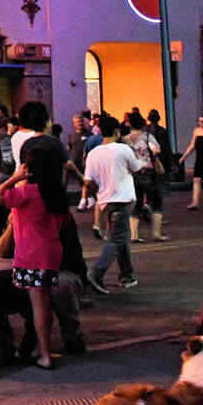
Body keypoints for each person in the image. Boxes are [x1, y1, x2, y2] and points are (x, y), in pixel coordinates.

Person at [0, 141, 69, 369]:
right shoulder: (56, 193)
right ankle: (43, 349)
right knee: (44, 303)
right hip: (51, 253)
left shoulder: (25, 193)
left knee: (39, 305)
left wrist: (14, 177)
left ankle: (45, 354)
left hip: (30, 255)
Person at [85, 114, 141, 293]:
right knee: (116, 239)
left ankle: (127, 275)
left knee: (120, 237)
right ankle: (96, 274)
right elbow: (136, 168)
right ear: (117, 131)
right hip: (123, 200)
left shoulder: (94, 153)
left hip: (105, 201)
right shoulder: (123, 149)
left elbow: (88, 181)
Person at [123, 113, 164, 242]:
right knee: (156, 202)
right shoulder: (147, 136)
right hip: (148, 171)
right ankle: (156, 233)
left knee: (137, 203)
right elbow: (157, 150)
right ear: (142, 124)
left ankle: (134, 235)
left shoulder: (125, 139)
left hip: (133, 173)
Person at [180, 115, 203, 211]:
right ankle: (195, 202)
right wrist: (183, 157)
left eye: (202, 121)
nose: (200, 123)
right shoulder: (196, 131)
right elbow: (192, 145)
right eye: (199, 121)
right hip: (199, 159)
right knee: (196, 180)